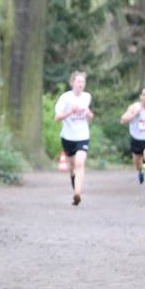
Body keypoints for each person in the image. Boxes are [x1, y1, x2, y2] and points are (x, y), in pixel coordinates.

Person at [54, 71, 94, 206]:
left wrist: (88, 114)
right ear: (72, 83)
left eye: (83, 82)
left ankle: (77, 193)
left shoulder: (87, 97)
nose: (81, 84)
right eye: (78, 81)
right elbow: (57, 118)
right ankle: (73, 181)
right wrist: (70, 111)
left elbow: (91, 116)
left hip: (83, 136)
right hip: (68, 137)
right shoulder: (65, 98)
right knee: (72, 166)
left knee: (80, 163)